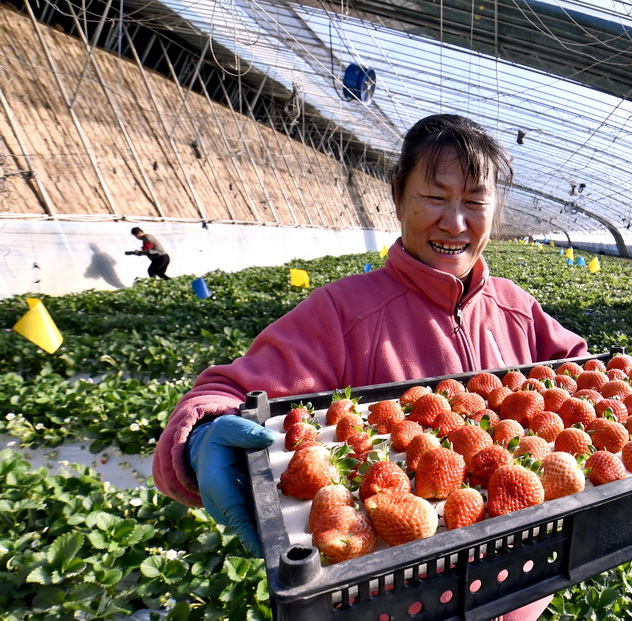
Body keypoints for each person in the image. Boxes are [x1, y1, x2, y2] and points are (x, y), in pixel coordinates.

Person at [153, 114, 588, 621]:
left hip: (521, 588)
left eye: (474, 202)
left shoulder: (514, 304)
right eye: (434, 196)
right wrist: (200, 434)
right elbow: (228, 390)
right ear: (398, 195)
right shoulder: (343, 311)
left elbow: (578, 372)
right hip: (396, 598)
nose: (455, 222)